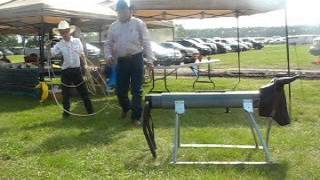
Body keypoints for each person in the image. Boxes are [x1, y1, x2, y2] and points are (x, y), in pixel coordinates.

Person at [104, 0, 155, 125]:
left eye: (124, 11)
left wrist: (150, 60)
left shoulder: (138, 23)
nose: (121, 13)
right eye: (119, 12)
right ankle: (126, 108)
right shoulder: (113, 26)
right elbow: (108, 44)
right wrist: (108, 55)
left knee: (137, 90)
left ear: (129, 10)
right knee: (121, 90)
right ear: (117, 12)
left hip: (136, 59)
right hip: (121, 61)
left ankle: (136, 117)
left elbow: (146, 42)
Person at [51, 20, 94, 118]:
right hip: (66, 71)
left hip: (76, 70)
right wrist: (49, 48)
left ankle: (90, 111)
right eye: (62, 32)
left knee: (83, 92)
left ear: (69, 31)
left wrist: (86, 65)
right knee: (65, 94)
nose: (64, 34)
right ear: (61, 33)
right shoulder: (59, 44)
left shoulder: (77, 41)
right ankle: (66, 113)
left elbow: (82, 54)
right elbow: (53, 53)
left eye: (65, 31)